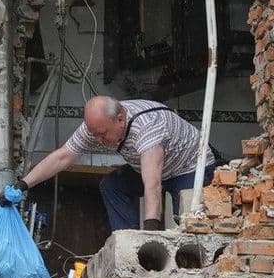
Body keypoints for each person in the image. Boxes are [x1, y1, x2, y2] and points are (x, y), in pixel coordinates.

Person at [14, 95, 217, 232]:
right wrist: (22, 184)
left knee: (189, 224)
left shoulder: (147, 128)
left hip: (190, 166)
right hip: (154, 167)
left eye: (102, 135)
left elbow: (152, 184)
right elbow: (62, 157)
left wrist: (151, 230)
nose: (98, 140)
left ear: (120, 119)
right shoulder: (97, 126)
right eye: (94, 134)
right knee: (112, 186)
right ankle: (126, 242)